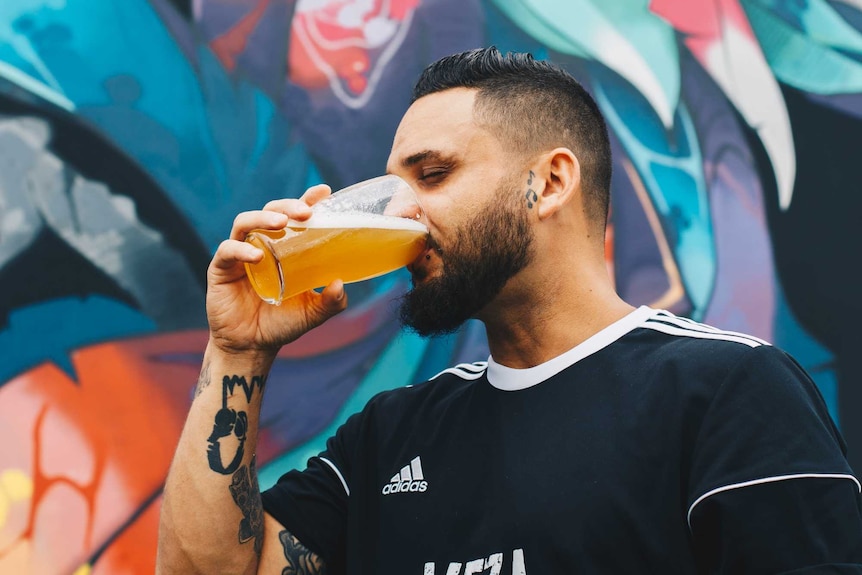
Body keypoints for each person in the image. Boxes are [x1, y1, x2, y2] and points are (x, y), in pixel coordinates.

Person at [156, 47, 862, 574]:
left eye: (433, 175)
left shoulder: (729, 390)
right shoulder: (387, 438)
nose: (402, 209)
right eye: (393, 183)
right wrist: (238, 350)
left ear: (549, 182)